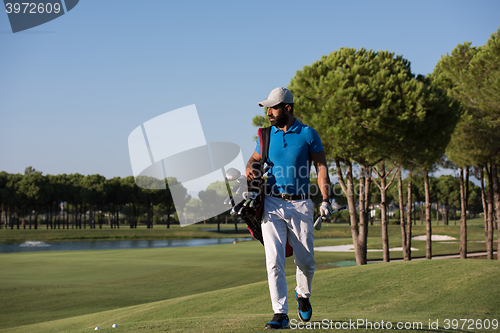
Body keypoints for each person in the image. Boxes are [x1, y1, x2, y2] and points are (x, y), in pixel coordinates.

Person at [245, 87, 332, 329]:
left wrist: (326, 199)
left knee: (306, 261)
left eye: (273, 107)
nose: (269, 112)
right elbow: (252, 160)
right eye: (267, 108)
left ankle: (302, 295)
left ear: (287, 108)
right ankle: (280, 313)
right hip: (271, 202)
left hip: (301, 204)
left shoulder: (308, 134)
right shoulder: (266, 136)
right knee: (274, 259)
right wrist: (250, 169)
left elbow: (321, 167)